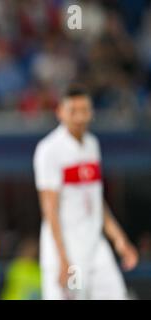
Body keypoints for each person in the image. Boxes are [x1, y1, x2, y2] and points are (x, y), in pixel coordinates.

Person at [33, 85, 139, 299]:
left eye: (85, 111)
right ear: (60, 112)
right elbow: (50, 209)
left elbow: (96, 199)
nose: (81, 117)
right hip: (67, 248)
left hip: (95, 245)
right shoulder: (49, 150)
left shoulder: (92, 144)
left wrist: (119, 240)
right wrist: (63, 259)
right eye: (74, 111)